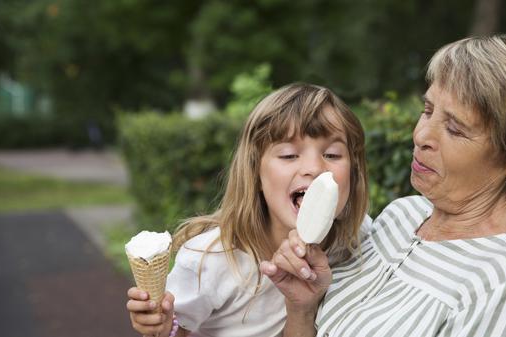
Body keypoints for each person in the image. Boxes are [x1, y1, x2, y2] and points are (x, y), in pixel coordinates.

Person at [261, 35, 506, 337]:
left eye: (455, 129)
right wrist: (302, 308)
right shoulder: (402, 215)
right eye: (427, 110)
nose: (421, 136)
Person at [126, 83, 369, 337]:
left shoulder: (357, 237)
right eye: (288, 155)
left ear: (354, 173)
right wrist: (162, 328)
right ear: (255, 174)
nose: (314, 168)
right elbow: (175, 329)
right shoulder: (209, 260)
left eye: (332, 154)